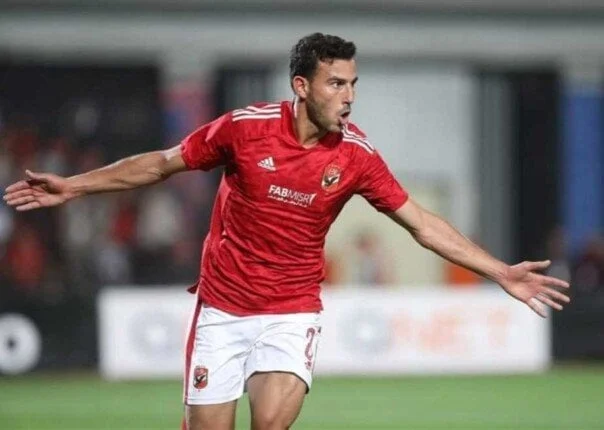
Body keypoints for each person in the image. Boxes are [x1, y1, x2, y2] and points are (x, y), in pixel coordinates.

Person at [3, 33, 570, 430]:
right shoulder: (244, 130)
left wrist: (500, 271)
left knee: (271, 424)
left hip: (291, 311)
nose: (348, 96)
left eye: (353, 84)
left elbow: (421, 223)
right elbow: (161, 163)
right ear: (301, 85)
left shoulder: (356, 156)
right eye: (335, 83)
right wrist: (73, 186)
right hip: (222, 309)